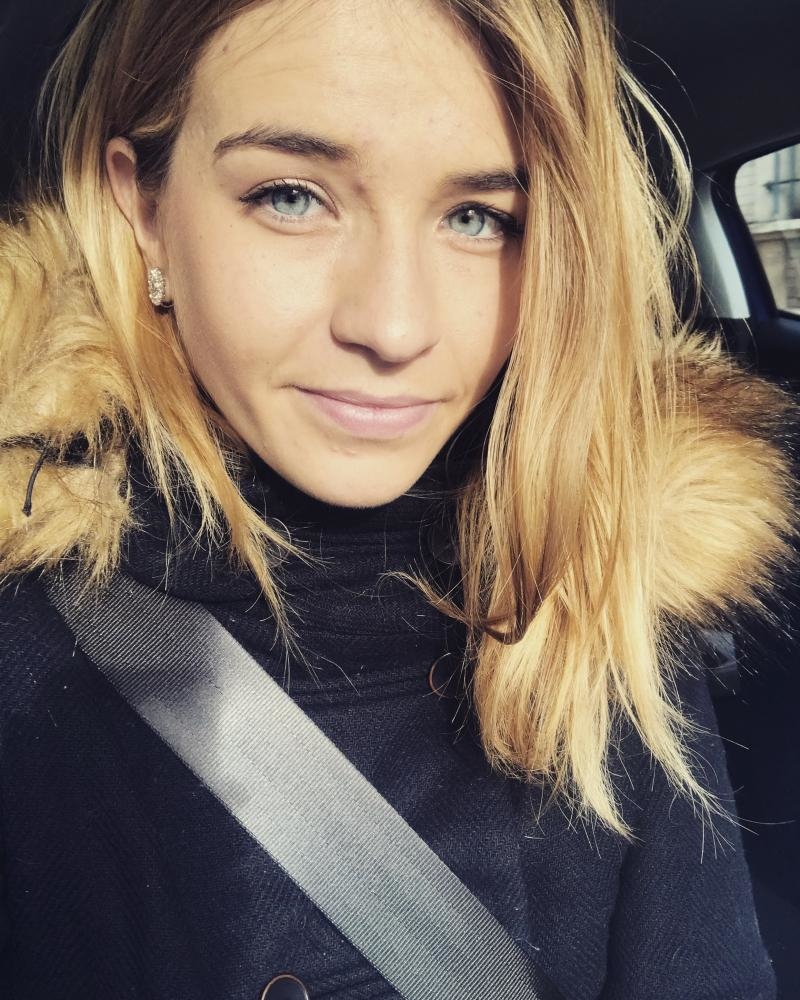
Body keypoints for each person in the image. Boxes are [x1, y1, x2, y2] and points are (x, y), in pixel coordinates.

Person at [0, 0, 795, 996]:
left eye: (477, 218)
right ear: (144, 206)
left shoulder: (601, 573)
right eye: (291, 196)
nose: (394, 325)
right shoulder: (27, 660)